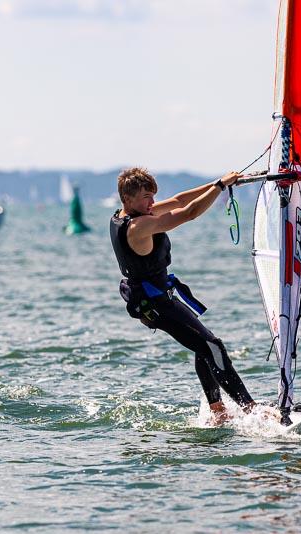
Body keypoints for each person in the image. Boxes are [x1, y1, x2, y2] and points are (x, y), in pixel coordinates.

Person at [109, 167, 260, 424]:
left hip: (157, 297)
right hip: (154, 304)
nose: (153, 203)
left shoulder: (131, 214)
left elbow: (180, 200)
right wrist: (220, 189)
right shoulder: (138, 225)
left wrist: (219, 181)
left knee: (205, 346)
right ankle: (251, 410)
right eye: (147, 197)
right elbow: (188, 212)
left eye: (153, 196)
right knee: (212, 346)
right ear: (128, 199)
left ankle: (218, 412)